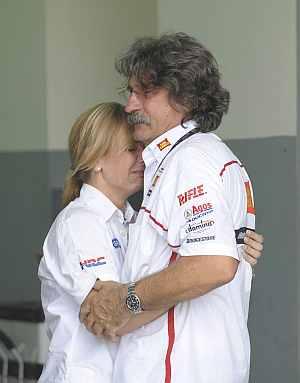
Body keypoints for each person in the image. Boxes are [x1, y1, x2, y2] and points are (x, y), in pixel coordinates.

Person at [80, 33, 264, 383]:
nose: (131, 106)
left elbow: (213, 265)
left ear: (185, 96)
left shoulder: (189, 160)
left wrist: (126, 300)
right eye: (130, 92)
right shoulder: (202, 156)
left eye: (145, 93)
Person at [38, 102, 146, 382]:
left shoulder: (134, 221)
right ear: (95, 159)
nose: (143, 158)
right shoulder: (79, 224)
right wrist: (192, 281)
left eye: (142, 147)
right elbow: (112, 314)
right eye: (131, 149)